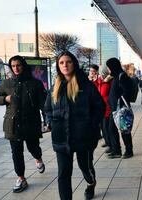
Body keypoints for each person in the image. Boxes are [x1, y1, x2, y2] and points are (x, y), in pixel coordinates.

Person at [44, 51, 105, 200]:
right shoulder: (55, 87)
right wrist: (50, 122)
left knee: (85, 166)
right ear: (58, 66)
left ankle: (91, 183)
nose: (65, 65)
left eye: (68, 62)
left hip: (83, 136)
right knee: (63, 174)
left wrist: (92, 125)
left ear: (74, 63)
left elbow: (100, 106)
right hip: (61, 137)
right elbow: (47, 109)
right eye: (61, 63)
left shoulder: (86, 85)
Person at [0, 55, 46, 193]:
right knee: (16, 152)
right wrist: (5, 98)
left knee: (33, 147)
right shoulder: (6, 83)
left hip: (31, 122)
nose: (16, 68)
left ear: (23, 66)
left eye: (19, 65)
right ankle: (21, 178)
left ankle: (38, 158)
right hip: (13, 123)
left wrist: (47, 120)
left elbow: (43, 104)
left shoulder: (35, 83)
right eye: (13, 66)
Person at [106, 57, 134, 159]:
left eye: (109, 67)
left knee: (124, 130)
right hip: (114, 109)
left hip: (121, 109)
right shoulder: (116, 76)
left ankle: (129, 150)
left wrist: (119, 102)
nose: (108, 70)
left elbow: (127, 91)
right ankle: (116, 150)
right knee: (111, 129)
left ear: (113, 66)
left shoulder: (122, 76)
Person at [95, 66, 113, 153]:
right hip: (101, 108)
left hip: (107, 108)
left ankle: (111, 145)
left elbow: (102, 93)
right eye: (100, 74)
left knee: (107, 128)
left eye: (102, 75)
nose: (101, 76)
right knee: (103, 127)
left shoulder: (109, 81)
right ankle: (107, 141)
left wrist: (104, 82)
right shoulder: (100, 81)